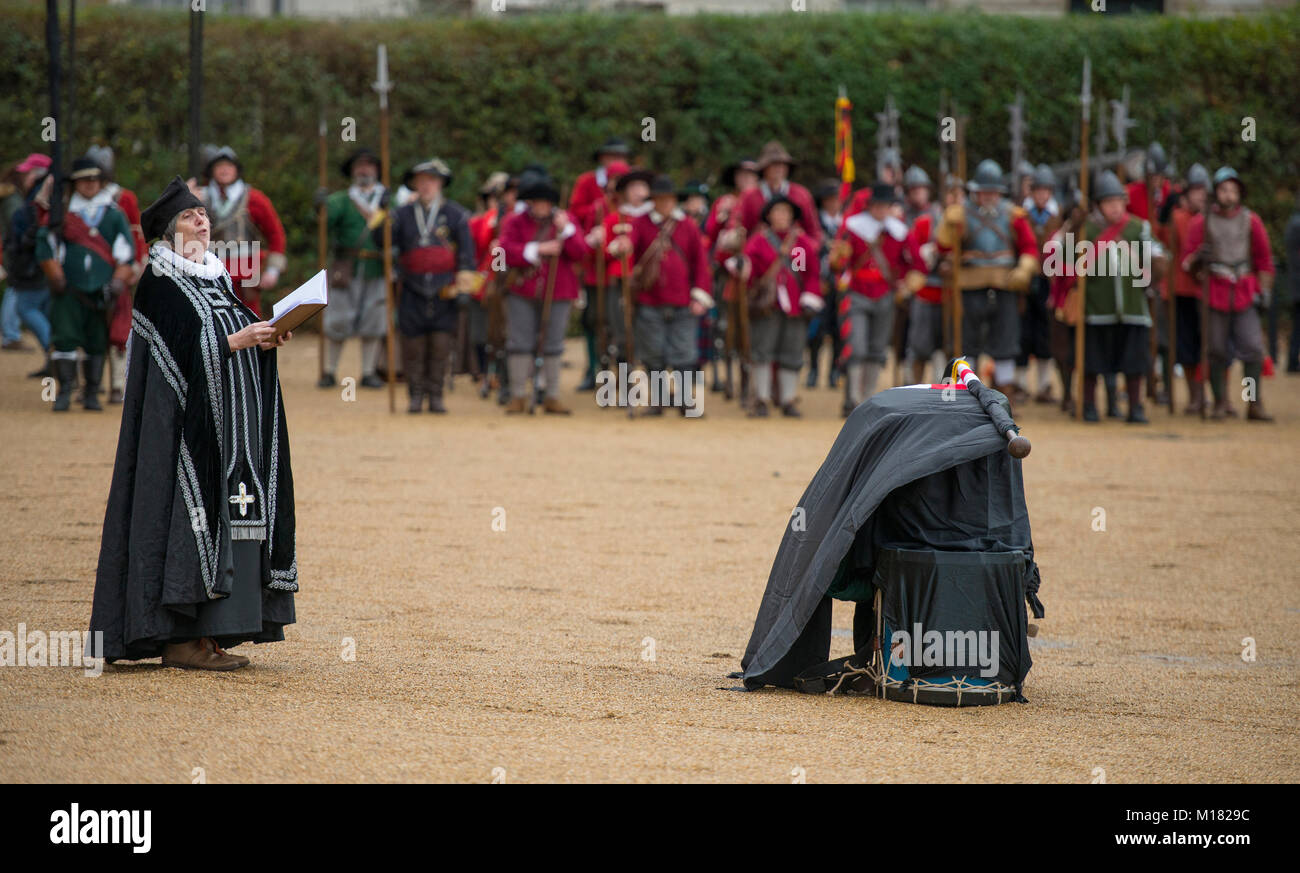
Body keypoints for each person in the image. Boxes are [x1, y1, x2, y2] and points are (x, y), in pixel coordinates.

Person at [89, 175, 297, 670]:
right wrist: (235, 342)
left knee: (237, 515)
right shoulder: (159, 284)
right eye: (189, 215)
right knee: (191, 521)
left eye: (202, 213)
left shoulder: (217, 277)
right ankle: (180, 638)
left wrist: (265, 341)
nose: (201, 220)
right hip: (184, 439)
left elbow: (231, 335)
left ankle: (217, 630)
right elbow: (171, 362)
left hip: (233, 432)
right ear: (167, 231)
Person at [35, 158, 136, 412]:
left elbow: (126, 252)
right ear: (75, 183)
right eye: (83, 180)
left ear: (101, 183)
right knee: (65, 338)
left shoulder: (113, 215)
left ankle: (91, 392)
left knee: (96, 340)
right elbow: (46, 245)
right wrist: (55, 275)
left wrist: (117, 281)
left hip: (101, 292)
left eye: (94, 180)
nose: (89, 185)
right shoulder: (63, 213)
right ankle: (66, 391)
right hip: (68, 289)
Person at [935, 158, 1039, 401]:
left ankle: (1005, 398)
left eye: (993, 192)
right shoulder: (961, 214)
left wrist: (1024, 269)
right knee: (967, 344)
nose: (989, 196)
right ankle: (966, 397)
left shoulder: (1014, 215)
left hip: (1005, 284)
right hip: (970, 285)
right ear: (976, 192)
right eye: (984, 192)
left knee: (1005, 343)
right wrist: (948, 225)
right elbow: (944, 247)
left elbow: (1030, 247)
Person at [1068, 171, 1165, 423]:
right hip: (1096, 308)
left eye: (1119, 202)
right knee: (1092, 362)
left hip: (1133, 308)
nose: (1115, 207)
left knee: (1134, 363)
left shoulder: (1138, 227)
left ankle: (1136, 407)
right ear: (1099, 205)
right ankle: (1089, 405)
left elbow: (1158, 254)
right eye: (1109, 202)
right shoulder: (1085, 229)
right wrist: (1073, 227)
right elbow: (1065, 259)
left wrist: (1154, 270)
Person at [1181, 167, 1276, 421]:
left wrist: (1264, 290)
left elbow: (1264, 259)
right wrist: (1198, 259)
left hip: (1244, 290)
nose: (1229, 195)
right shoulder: (1200, 223)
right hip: (1214, 290)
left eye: (1233, 190)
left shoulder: (1250, 220)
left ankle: (1253, 402)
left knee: (1253, 348)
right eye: (1224, 190)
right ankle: (1220, 402)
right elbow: (1186, 263)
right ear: (1216, 192)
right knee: (1216, 350)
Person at [384, 158, 476, 414]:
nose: (426, 186)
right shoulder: (401, 214)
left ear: (441, 183)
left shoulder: (456, 214)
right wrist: (383, 213)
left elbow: (467, 254)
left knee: (441, 344)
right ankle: (415, 395)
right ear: (414, 184)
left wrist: (464, 289)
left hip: (444, 288)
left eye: (431, 180)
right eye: (421, 181)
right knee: (412, 344)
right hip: (411, 287)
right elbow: (381, 240)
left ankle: (436, 395)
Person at [617, 174, 712, 415]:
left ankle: (683, 400)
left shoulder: (688, 225)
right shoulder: (640, 223)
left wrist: (700, 296)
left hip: (682, 301)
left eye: (669, 199)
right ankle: (658, 401)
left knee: (684, 353)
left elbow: (700, 264)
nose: (666, 204)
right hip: (650, 300)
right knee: (653, 353)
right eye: (661, 199)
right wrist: (624, 246)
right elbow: (631, 245)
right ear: (654, 201)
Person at [829, 182, 924, 411]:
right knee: (856, 346)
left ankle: (868, 398)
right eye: (877, 205)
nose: (881, 210)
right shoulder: (852, 228)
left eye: (885, 206)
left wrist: (908, 284)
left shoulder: (900, 231)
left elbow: (916, 263)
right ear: (870, 206)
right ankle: (852, 399)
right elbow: (838, 264)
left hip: (886, 295)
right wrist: (839, 258)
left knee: (877, 348)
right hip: (857, 292)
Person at [500, 169, 588, 415]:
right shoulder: (514, 222)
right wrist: (539, 249)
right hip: (522, 290)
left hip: (559, 291)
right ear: (529, 202)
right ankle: (518, 395)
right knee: (519, 342)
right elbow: (502, 253)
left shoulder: (566, 220)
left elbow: (581, 253)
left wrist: (567, 230)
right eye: (537, 201)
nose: (541, 206)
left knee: (553, 344)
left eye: (545, 201)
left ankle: (552, 395)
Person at [732, 194, 821, 417]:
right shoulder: (758, 241)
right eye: (778, 212)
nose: (782, 216)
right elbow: (747, 268)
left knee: (791, 353)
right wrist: (743, 266)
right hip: (767, 305)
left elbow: (810, 273)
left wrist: (810, 296)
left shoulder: (801, 244)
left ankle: (787, 399)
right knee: (762, 351)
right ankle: (761, 398)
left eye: (786, 212)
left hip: (795, 307)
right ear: (769, 216)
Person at [320, 147, 388, 390]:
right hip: (345, 266)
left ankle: (368, 372)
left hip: (377, 267)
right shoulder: (340, 200)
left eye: (369, 165)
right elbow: (324, 225)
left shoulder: (388, 201)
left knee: (374, 319)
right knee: (338, 318)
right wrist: (321, 208)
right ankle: (329, 370)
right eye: (359, 166)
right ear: (352, 171)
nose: (364, 170)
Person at [85, 145, 148, 403]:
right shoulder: (77, 199)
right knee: (89, 326)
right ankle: (93, 383)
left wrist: (137, 263)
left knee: (120, 328)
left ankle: (118, 385)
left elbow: (136, 232)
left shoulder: (124, 197)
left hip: (118, 270)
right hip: (88, 273)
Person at [199, 146, 287, 316]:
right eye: (219, 166)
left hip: (246, 278)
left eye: (229, 166)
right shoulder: (199, 198)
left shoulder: (255, 199)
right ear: (211, 171)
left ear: (237, 171)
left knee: (249, 319)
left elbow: (275, 234)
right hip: (210, 273)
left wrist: (273, 270)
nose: (224, 170)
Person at [1, 154, 53, 370]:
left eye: (29, 172)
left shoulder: (33, 201)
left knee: (26, 307)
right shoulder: (30, 198)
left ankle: (57, 354)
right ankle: (55, 359)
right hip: (32, 264)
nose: (24, 176)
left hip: (33, 266)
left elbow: (26, 230)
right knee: (35, 307)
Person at [1166, 163, 1211, 413]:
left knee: (1209, 343)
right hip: (1183, 289)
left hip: (1209, 290)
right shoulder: (1178, 217)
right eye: (1196, 190)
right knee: (1186, 344)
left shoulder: (1213, 217)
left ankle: (1210, 395)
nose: (1200, 195)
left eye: (1203, 190)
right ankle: (1195, 396)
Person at [1016, 164, 1061, 404]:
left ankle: (1044, 384)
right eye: (1038, 191)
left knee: (1046, 332)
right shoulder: (1021, 215)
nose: (1042, 196)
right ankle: (1020, 383)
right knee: (1023, 331)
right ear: (1032, 192)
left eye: (1046, 191)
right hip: (1025, 281)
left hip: (1048, 281)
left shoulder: (1058, 216)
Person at [900, 166, 949, 384]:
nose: (918, 194)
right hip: (917, 287)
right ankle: (913, 387)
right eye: (914, 190)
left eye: (922, 189)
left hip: (945, 290)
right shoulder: (903, 216)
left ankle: (941, 389)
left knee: (944, 345)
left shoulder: (945, 218)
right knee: (917, 344)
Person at [738, 141, 821, 246]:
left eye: (783, 164)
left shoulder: (801, 194)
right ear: (764, 168)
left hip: (795, 255)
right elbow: (742, 230)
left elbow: (813, 231)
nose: (779, 168)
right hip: (760, 255)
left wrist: (807, 251)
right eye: (774, 164)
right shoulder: (750, 197)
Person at [806, 179, 844, 389]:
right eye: (829, 200)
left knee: (838, 330)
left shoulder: (846, 223)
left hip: (840, 283)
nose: (833, 204)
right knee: (817, 330)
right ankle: (813, 369)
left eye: (836, 200)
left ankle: (834, 371)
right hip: (819, 281)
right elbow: (804, 253)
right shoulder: (815, 225)